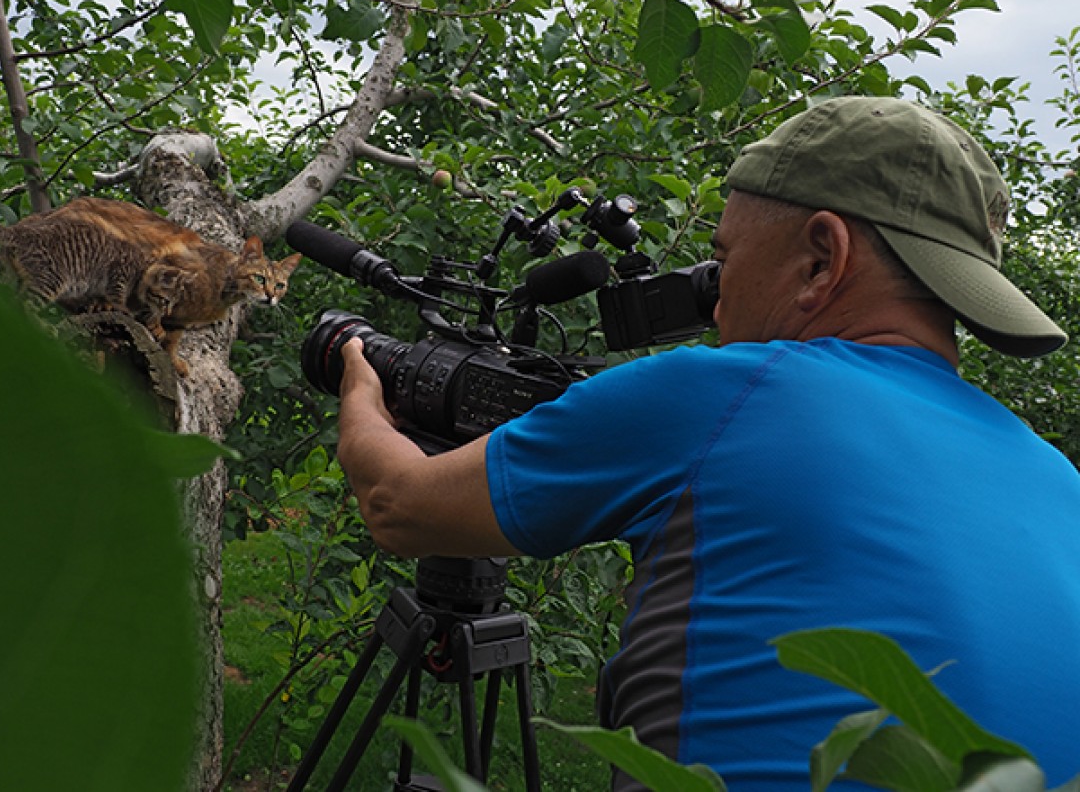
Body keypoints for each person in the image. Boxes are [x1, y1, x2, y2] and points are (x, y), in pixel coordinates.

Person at [334, 96, 1080, 789]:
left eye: (722, 262)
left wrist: (362, 379)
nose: (715, 299)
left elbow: (398, 504)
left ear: (822, 259)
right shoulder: (1057, 478)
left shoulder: (726, 393)